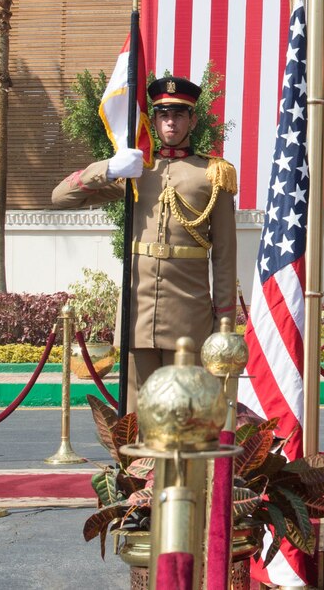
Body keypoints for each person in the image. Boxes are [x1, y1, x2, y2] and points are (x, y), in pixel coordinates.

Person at [52, 76, 238, 410]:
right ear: (152, 119)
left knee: (184, 408)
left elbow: (224, 256)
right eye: (163, 113)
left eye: (179, 114)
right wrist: (108, 168)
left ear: (192, 120)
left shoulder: (212, 174)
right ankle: (137, 465)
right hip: (138, 310)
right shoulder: (137, 171)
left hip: (189, 312)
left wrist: (223, 322)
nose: (171, 121)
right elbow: (62, 197)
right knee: (138, 409)